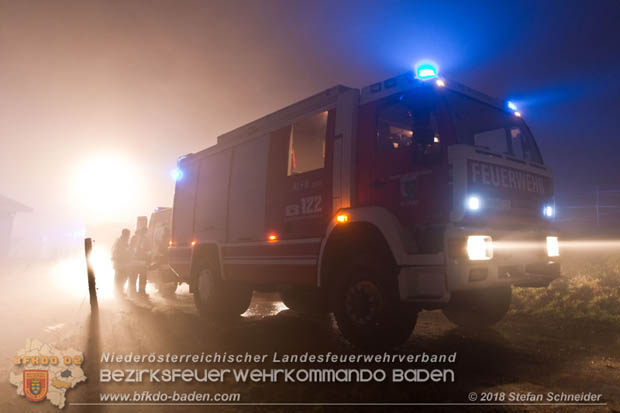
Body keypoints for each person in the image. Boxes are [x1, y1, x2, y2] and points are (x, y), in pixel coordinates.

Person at [129, 226, 151, 296]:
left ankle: (133, 292)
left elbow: (131, 248)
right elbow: (148, 251)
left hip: (135, 261)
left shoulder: (134, 238)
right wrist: (148, 260)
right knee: (142, 277)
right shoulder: (146, 240)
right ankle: (141, 292)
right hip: (141, 261)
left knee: (134, 277)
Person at [111, 229, 132, 296]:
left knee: (123, 276)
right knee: (120, 277)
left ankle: (119, 290)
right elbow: (118, 252)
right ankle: (118, 291)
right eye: (128, 235)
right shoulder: (120, 242)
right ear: (124, 235)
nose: (128, 237)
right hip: (119, 262)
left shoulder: (123, 241)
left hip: (122, 262)